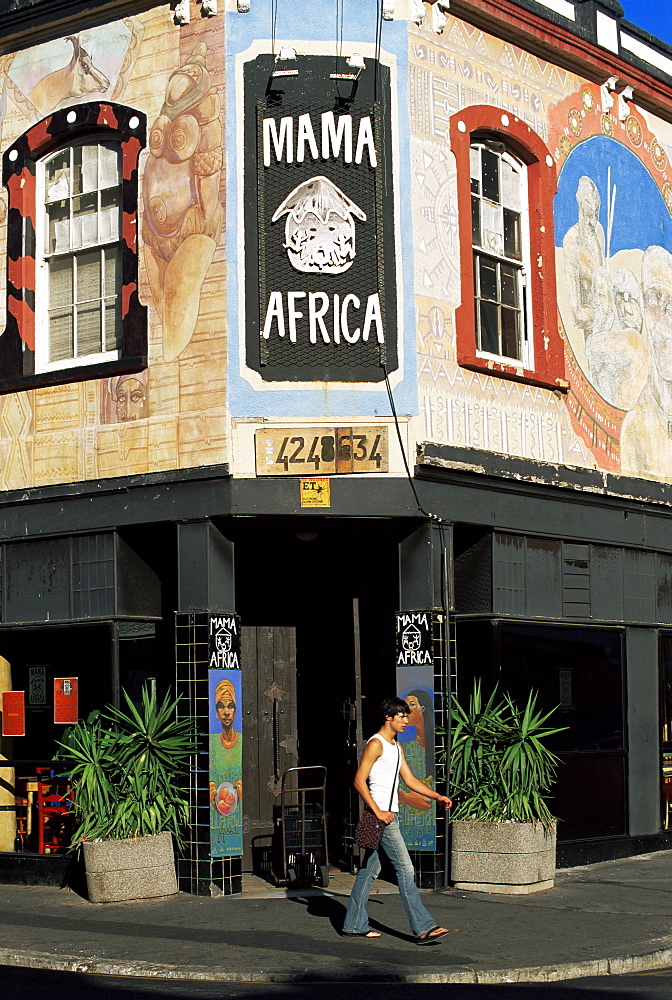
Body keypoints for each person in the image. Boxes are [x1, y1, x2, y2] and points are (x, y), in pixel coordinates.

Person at [343, 696, 452, 944]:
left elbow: (410, 780)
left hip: (392, 815)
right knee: (406, 869)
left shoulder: (396, 746)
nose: (406, 720)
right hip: (382, 817)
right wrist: (378, 812)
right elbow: (360, 781)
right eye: (401, 716)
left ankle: (353, 924)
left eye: (406, 716)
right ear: (388, 717)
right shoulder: (376, 744)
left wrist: (437, 796)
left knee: (369, 872)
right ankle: (423, 927)